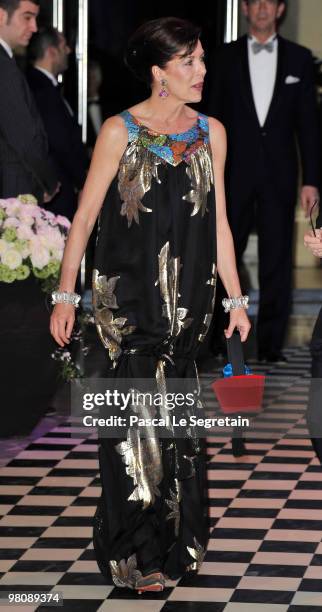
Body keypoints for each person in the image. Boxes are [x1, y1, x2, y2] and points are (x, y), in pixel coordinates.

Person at [50, 17, 251, 592]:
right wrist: (67, 296)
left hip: (188, 308)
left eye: (203, 60)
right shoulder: (120, 130)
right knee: (136, 431)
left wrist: (235, 298)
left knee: (175, 434)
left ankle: (167, 541)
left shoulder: (211, 132)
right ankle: (135, 553)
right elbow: (84, 218)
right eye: (188, 62)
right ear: (159, 73)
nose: (202, 71)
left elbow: (219, 225)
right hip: (128, 306)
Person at [207, 0, 320, 363]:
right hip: (232, 174)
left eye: (268, 2)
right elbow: (210, 118)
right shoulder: (223, 58)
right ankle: (218, 340)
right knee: (224, 254)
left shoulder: (300, 58)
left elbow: (310, 126)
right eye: (254, 2)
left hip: (280, 174)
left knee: (278, 257)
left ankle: (271, 344)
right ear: (243, 8)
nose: (261, 9)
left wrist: (311, 180)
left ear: (280, 9)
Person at [27, 26, 88, 220]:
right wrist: (84, 178)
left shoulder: (46, 87)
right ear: (51, 51)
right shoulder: (40, 90)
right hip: (56, 191)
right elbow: (60, 143)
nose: (69, 50)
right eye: (64, 46)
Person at [0, 0, 59, 203]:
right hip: (12, 192)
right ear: (1, 16)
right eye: (27, 17)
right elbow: (25, 137)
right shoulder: (3, 67)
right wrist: (49, 181)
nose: (34, 27)